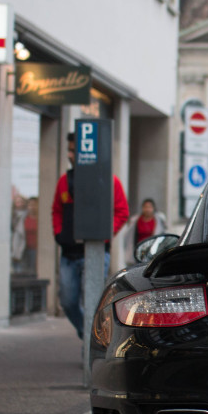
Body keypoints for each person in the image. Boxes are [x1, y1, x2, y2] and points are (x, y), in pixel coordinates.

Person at [52, 131, 129, 338]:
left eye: (72, 151)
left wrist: (104, 234)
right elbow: (57, 210)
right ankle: (88, 335)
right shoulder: (64, 182)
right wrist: (59, 234)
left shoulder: (109, 181)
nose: (69, 155)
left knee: (92, 301)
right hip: (69, 253)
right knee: (67, 301)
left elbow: (122, 211)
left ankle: (89, 345)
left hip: (95, 252)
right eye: (68, 150)